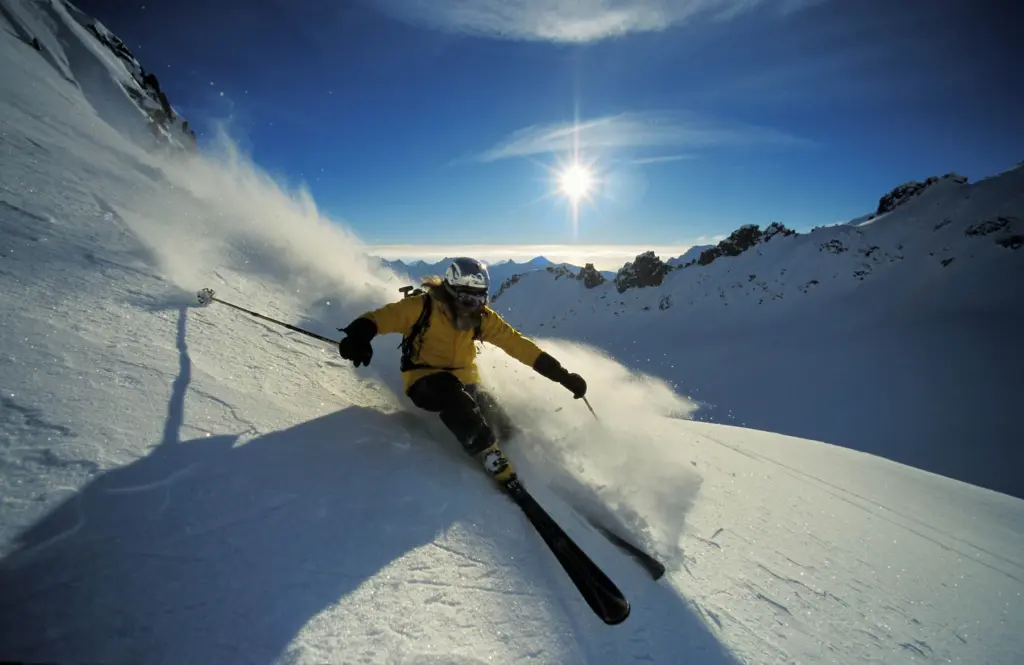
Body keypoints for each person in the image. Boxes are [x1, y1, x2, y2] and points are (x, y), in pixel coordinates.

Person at [336, 257, 587, 484]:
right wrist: (358, 338)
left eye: (480, 299)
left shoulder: (481, 318)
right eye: (468, 299)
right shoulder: (422, 308)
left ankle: (523, 458)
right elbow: (379, 318)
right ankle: (489, 454)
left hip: (466, 381)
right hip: (424, 379)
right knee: (454, 397)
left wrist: (562, 375)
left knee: (498, 420)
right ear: (451, 292)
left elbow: (518, 345)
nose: (474, 306)